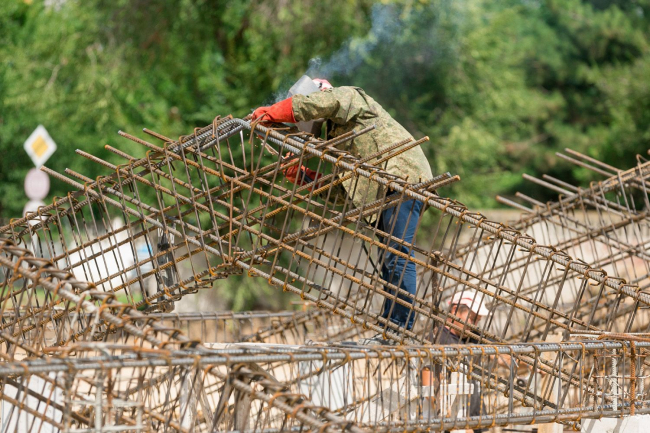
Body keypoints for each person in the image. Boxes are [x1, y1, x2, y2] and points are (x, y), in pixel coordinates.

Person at [252, 79, 434, 343]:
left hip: (402, 177)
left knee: (397, 256)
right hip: (384, 190)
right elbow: (343, 192)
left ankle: (399, 327)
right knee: (390, 259)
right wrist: (304, 177)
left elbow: (322, 103)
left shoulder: (348, 97)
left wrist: (272, 112)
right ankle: (389, 326)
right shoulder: (339, 138)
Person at [423, 289, 489, 433]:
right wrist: (456, 425)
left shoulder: (474, 336)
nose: (474, 325)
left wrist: (527, 364)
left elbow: (501, 356)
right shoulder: (437, 339)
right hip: (452, 424)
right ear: (454, 311)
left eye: (477, 321)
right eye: (472, 319)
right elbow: (429, 387)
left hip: (475, 420)